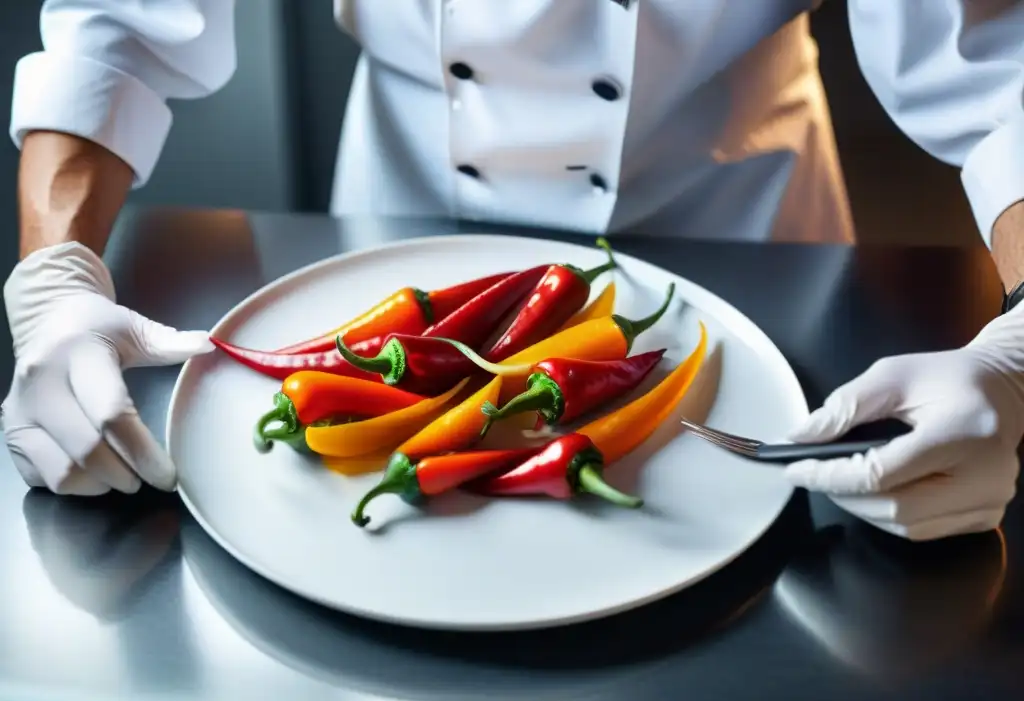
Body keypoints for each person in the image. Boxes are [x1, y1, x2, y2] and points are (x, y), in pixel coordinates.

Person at [3, 0, 1023, 541]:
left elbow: (997, 77)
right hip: (397, 211)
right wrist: (56, 277)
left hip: (745, 221)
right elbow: (117, 32)